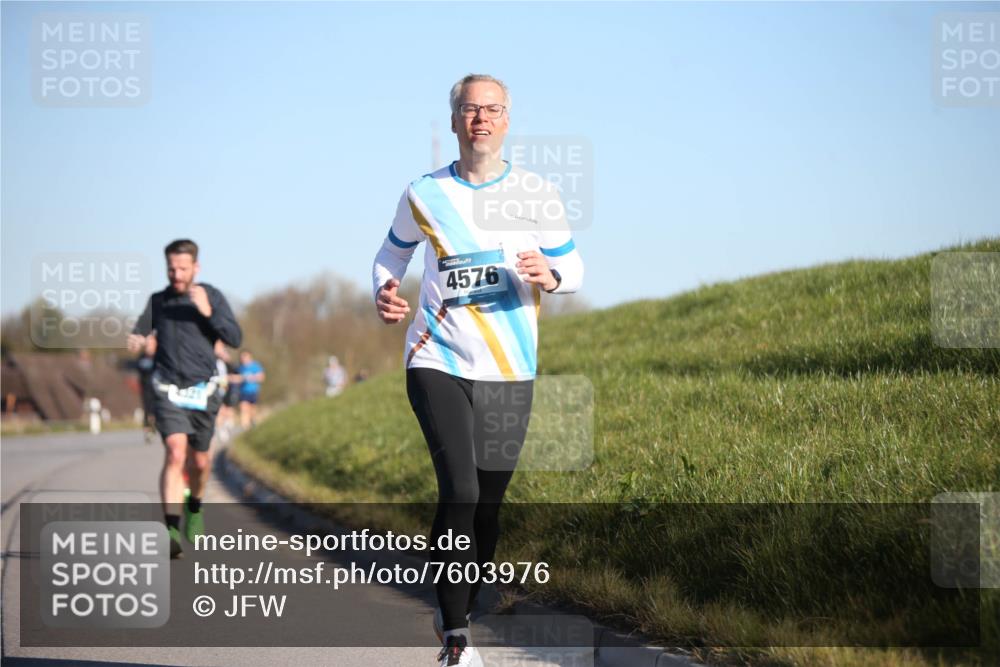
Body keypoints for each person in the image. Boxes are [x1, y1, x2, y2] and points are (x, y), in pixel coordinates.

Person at [371, 74, 583, 667]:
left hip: (510, 364)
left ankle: (453, 598)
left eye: (492, 109)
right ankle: (457, 638)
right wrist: (385, 291)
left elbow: (575, 268)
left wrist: (553, 275)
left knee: (488, 501)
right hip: (436, 356)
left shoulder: (538, 193)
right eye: (470, 109)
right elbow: (391, 253)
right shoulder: (423, 192)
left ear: (508, 118)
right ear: (455, 120)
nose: (481, 119)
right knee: (459, 488)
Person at [128, 239, 242, 558]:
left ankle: (194, 505)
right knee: (176, 452)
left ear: (196, 268)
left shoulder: (212, 296)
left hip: (203, 391)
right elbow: (141, 330)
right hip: (168, 389)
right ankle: (171, 529)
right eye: (171, 269)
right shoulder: (158, 301)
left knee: (201, 462)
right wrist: (137, 339)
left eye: (182, 268)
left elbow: (235, 337)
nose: (176, 275)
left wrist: (207, 312)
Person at [236, 349, 265, 429]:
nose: (243, 359)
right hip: (243, 391)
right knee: (243, 408)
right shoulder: (240, 368)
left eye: (245, 357)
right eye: (242, 357)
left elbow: (262, 377)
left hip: (253, 391)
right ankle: (245, 427)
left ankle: (253, 422)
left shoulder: (255, 366)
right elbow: (238, 378)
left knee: (252, 410)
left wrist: (252, 377)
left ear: (249, 357)